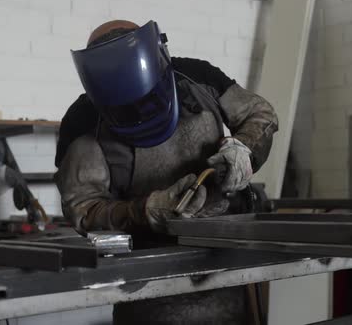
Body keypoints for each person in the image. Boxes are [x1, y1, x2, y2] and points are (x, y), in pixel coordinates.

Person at [55, 19, 278, 325]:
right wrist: (144, 211)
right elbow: (83, 209)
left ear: (161, 59)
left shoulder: (199, 78)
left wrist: (244, 149)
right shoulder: (83, 124)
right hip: (148, 285)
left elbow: (259, 113)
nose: (141, 113)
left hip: (225, 265)